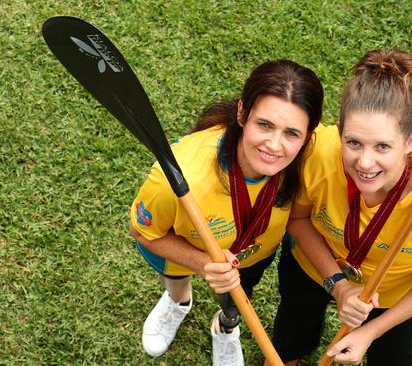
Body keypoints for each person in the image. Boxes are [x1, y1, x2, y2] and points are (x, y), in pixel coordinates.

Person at [271, 49, 412, 365]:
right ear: (340, 132)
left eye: (383, 146)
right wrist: (339, 287)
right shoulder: (316, 152)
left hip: (396, 295)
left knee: (394, 357)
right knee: (293, 325)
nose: (365, 162)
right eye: (353, 142)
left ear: (410, 142)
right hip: (313, 268)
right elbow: (298, 220)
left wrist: (371, 331)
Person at [129, 59, 323, 365]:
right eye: (265, 124)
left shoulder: (315, 156)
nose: (274, 145)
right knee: (175, 278)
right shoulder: (180, 175)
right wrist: (206, 263)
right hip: (181, 244)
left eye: (292, 133)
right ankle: (178, 301)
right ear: (242, 113)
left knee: (238, 295)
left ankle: (226, 326)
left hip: (254, 252)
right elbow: (143, 232)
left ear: (310, 135)